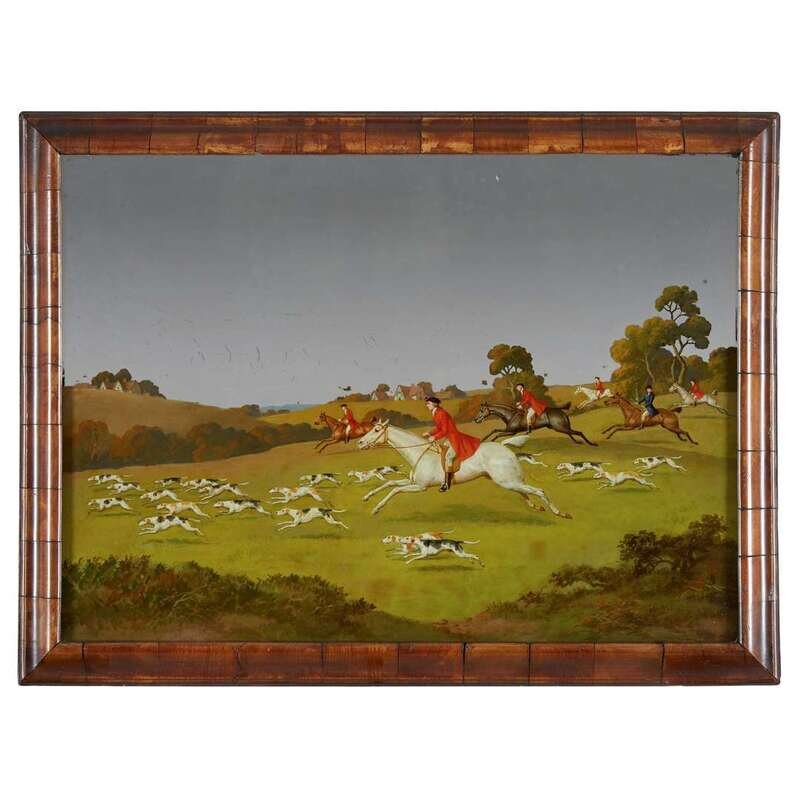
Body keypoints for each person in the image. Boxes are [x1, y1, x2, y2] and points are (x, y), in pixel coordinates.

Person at [423, 396, 481, 492]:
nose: (427, 405)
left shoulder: (442, 413)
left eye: (428, 403)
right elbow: (438, 428)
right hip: (449, 438)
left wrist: (435, 437)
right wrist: (429, 433)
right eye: (427, 404)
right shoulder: (436, 413)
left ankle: (447, 484)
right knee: (441, 453)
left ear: (435, 404)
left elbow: (444, 430)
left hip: (454, 438)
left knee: (449, 457)